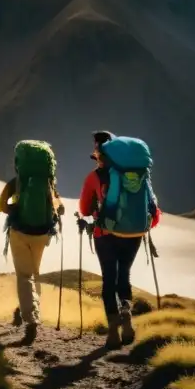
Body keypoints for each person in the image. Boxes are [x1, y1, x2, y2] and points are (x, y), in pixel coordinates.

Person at [78, 130, 162, 348]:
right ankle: (126, 308)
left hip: (105, 234)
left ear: (99, 153)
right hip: (134, 233)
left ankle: (113, 330)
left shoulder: (94, 177)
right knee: (124, 275)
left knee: (109, 280)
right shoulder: (138, 173)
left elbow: (85, 209)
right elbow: (152, 204)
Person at [0, 140, 64, 344]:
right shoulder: (49, 185)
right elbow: (59, 208)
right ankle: (27, 308)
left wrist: (14, 209)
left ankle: (31, 317)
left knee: (24, 276)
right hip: (42, 235)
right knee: (34, 273)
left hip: (19, 232)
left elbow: (1, 205)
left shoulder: (15, 183)